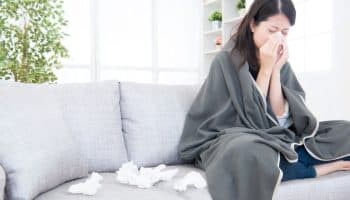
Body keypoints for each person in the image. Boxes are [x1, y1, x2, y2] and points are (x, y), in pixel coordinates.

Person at [178, 0, 350, 199]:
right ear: (252, 24)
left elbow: (279, 119)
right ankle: (314, 168)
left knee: (344, 130)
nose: (278, 38)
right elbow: (253, 121)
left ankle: (287, 162)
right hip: (237, 136)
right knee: (249, 152)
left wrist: (275, 70)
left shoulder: (282, 63)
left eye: (284, 32)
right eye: (272, 30)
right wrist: (266, 69)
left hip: (280, 137)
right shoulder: (225, 61)